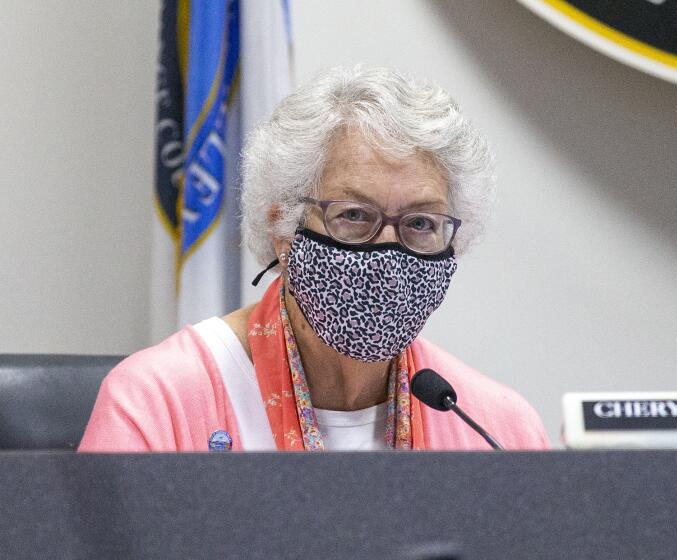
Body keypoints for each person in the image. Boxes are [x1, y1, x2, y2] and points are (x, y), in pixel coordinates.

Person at [79, 65, 549, 452]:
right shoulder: (156, 403)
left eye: (421, 223)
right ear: (284, 230)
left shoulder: (494, 429)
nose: (387, 251)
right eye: (354, 214)